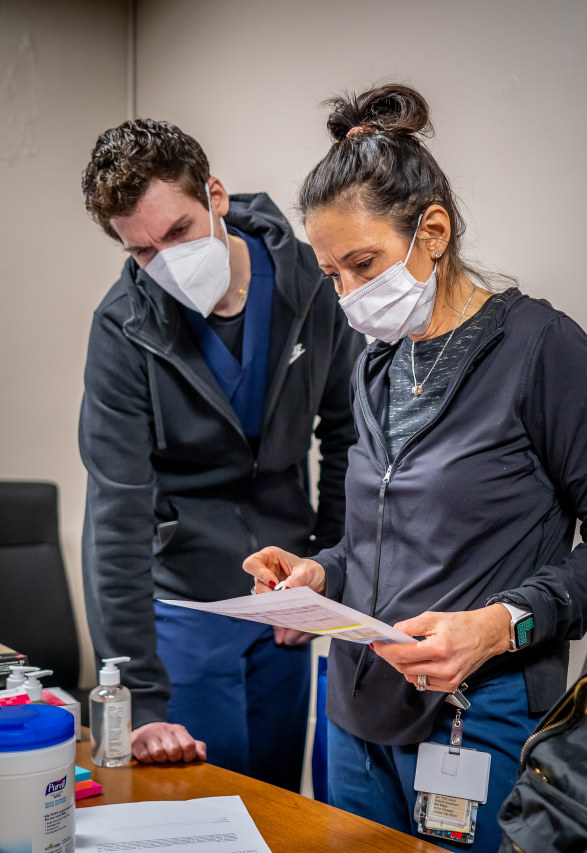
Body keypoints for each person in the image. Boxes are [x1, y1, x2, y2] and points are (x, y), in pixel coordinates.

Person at [243, 84, 587, 848]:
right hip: (355, 711)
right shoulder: (377, 365)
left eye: (362, 263)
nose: (350, 294)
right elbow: (377, 532)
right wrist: (320, 574)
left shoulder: (539, 350)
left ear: (432, 230)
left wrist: (499, 624)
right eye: (332, 274)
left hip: (478, 714)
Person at [79, 118, 364, 790]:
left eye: (177, 232)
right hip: (183, 607)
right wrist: (141, 701)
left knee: (277, 801)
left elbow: (349, 434)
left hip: (281, 596)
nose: (167, 260)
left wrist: (323, 569)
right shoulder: (123, 328)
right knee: (198, 800)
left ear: (215, 194)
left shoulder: (310, 281)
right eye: (143, 251)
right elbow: (116, 512)